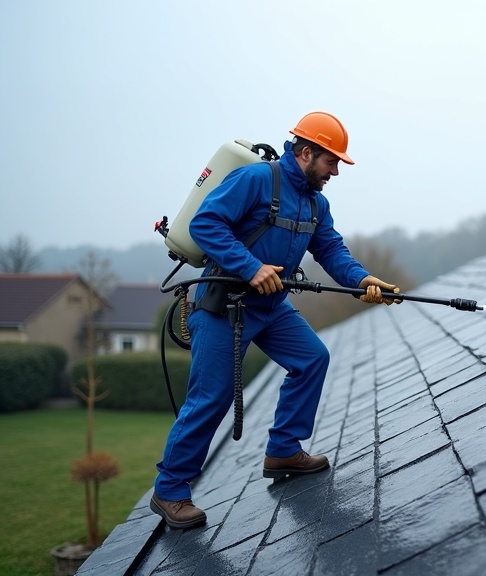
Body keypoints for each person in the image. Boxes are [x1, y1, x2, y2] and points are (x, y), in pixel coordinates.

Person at [150, 111, 399, 529]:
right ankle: (170, 490)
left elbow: (331, 251)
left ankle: (283, 449)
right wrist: (250, 267)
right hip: (225, 305)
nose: (336, 171)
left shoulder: (318, 203)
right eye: (331, 161)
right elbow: (205, 224)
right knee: (212, 398)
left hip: (271, 307)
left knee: (312, 358)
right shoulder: (256, 180)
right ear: (306, 153)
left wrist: (362, 280)